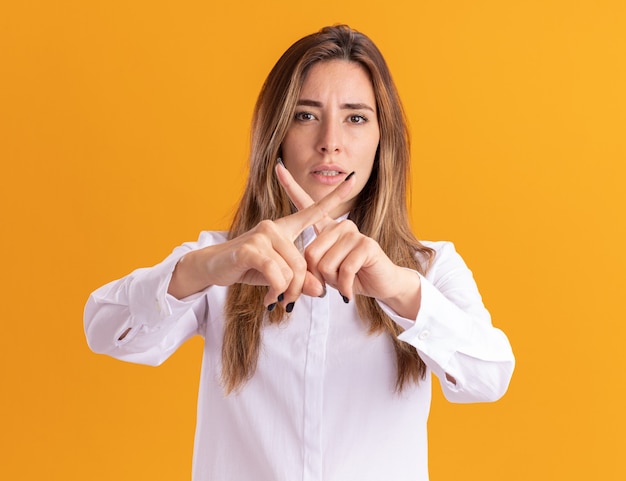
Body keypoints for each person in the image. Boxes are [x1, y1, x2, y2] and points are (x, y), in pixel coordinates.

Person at [84, 25, 515, 481]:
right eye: (306, 115)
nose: (330, 140)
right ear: (278, 134)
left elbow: (489, 379)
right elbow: (105, 330)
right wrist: (204, 267)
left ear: (381, 140)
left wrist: (401, 289)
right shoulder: (225, 260)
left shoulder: (429, 267)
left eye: (355, 118)